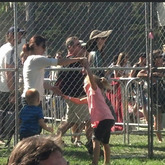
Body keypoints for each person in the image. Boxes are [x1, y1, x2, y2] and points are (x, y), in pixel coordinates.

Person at [63, 59, 115, 165]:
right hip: (107, 119)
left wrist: (87, 68)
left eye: (84, 83)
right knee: (105, 142)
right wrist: (66, 96)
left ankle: (94, 162)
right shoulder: (90, 96)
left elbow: (91, 79)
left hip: (104, 119)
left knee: (95, 139)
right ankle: (107, 162)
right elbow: (78, 101)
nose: (83, 86)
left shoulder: (94, 91)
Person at [21, 35, 86, 107]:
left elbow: (39, 82)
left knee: (39, 118)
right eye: (43, 46)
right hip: (30, 99)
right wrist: (79, 59)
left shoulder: (32, 60)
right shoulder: (35, 59)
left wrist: (52, 88)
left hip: (34, 99)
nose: (44, 49)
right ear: (35, 45)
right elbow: (60, 62)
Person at [55, 36, 93, 151]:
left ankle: (55, 140)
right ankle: (92, 143)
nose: (81, 47)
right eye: (78, 45)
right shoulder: (68, 61)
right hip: (74, 95)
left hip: (76, 95)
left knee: (70, 120)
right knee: (88, 119)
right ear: (70, 47)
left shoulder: (77, 60)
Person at [0, 26, 25, 145]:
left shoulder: (4, 48)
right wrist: (13, 92)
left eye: (20, 34)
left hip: (4, 87)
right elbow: (8, 73)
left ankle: (6, 139)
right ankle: (10, 138)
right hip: (7, 88)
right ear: (9, 35)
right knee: (15, 114)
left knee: (3, 114)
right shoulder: (9, 50)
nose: (19, 36)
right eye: (16, 34)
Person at [137, 49, 164, 142]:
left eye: (162, 57)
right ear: (154, 59)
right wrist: (152, 74)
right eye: (160, 57)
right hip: (154, 94)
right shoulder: (150, 67)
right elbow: (139, 74)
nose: (162, 59)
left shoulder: (163, 67)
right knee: (158, 116)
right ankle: (159, 139)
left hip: (162, 92)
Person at [129, 52, 148, 123]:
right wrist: (137, 82)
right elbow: (131, 76)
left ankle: (130, 117)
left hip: (144, 86)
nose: (145, 59)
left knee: (137, 104)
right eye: (143, 58)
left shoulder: (146, 65)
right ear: (140, 58)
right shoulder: (136, 65)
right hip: (136, 86)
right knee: (144, 103)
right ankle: (148, 121)